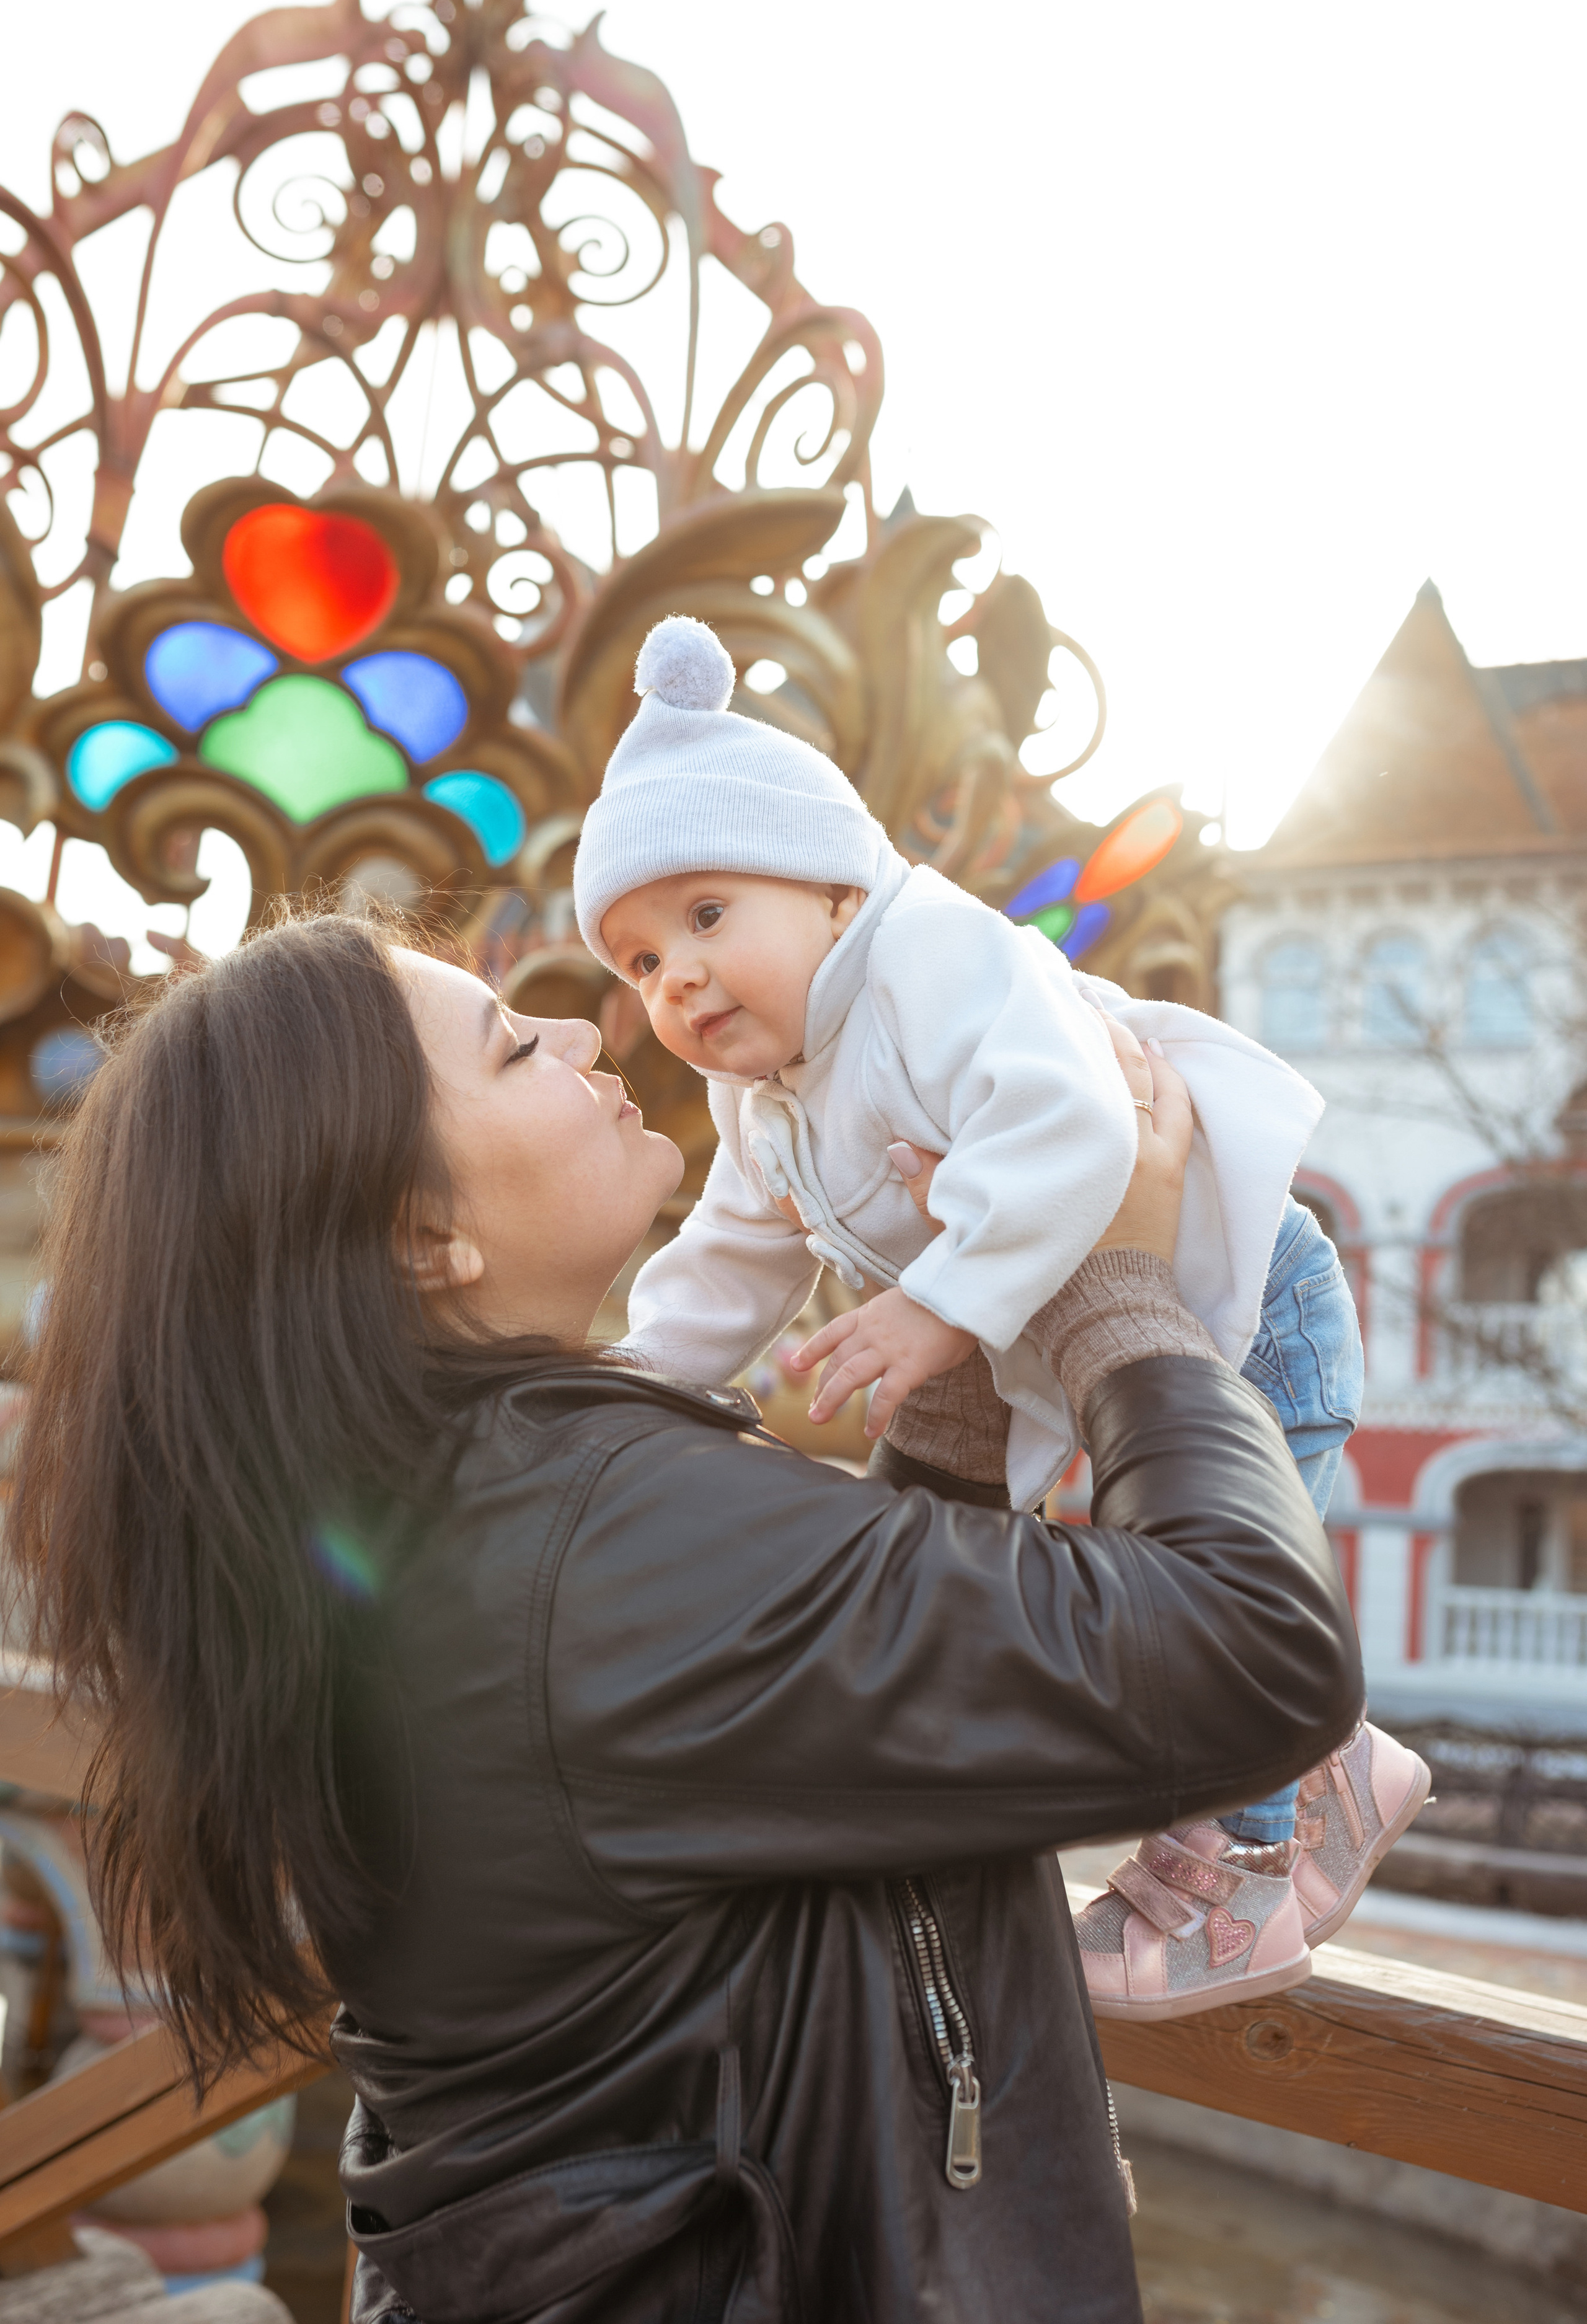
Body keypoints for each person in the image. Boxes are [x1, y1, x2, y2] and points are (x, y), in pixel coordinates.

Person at [12, 911, 1362, 2323]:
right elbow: (1255, 1651)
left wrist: (956, 1404)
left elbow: (820, 1703)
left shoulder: (445, 1515)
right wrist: (1112, 1294)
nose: (587, 1030)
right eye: (513, 1046)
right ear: (424, 1237)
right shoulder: (599, 1542)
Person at [575, 617, 1426, 2017]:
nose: (674, 978)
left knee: (1216, 1618)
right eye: (637, 961)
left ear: (835, 889)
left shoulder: (931, 957)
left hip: (1243, 1307)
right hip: (1106, 1349)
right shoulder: (766, 1095)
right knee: (1142, 1593)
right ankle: (1332, 1768)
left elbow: (1074, 1121)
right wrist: (631, 1386)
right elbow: (728, 1258)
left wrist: (934, 1306)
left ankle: (1252, 1873)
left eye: (706, 916)